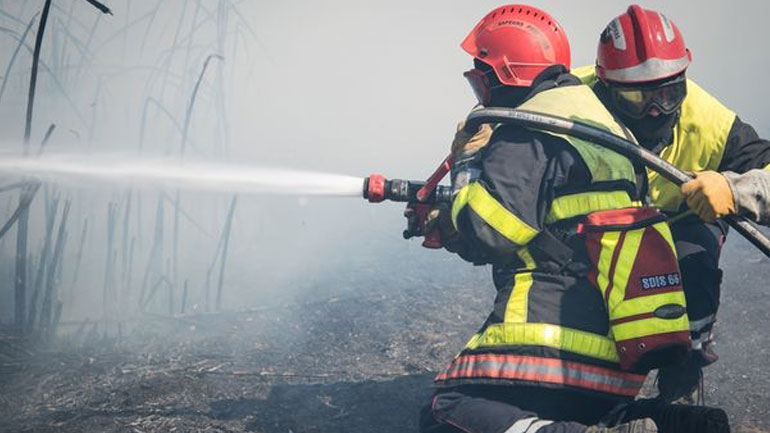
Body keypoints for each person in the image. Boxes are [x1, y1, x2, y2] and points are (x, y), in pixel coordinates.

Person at [418, 5, 692, 433]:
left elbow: (487, 233)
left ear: (499, 75)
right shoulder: (602, 124)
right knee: (571, 411)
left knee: (448, 409)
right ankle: (674, 423)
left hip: (551, 336)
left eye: (479, 76)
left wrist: (468, 161)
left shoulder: (530, 125)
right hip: (618, 346)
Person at [570, 4, 770, 402]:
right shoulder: (568, 101)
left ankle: (687, 361)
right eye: (637, 96)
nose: (656, 108)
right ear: (605, 86)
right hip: (595, 230)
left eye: (668, 92)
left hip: (680, 222)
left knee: (695, 269)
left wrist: (736, 188)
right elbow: (506, 127)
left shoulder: (710, 121)